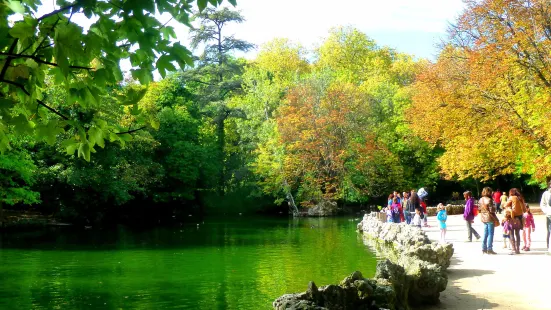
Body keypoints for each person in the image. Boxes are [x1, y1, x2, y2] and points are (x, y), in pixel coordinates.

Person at [504, 188, 526, 254]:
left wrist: (509, 209)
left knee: (511, 234)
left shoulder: (512, 197)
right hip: (520, 218)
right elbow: (524, 210)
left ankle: (513, 249)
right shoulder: (521, 198)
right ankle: (518, 249)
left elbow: (505, 205)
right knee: (517, 234)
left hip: (512, 217)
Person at [479, 187, 497, 254]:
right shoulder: (489, 200)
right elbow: (492, 210)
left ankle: (483, 248)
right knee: (490, 234)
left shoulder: (481, 199)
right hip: (490, 218)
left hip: (483, 218)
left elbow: (479, 208)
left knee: (485, 233)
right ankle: (490, 249)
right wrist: (494, 207)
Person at [539, 181, 551, 254]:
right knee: (549, 231)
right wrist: (546, 211)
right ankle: (549, 247)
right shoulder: (546, 194)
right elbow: (542, 204)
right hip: (549, 214)